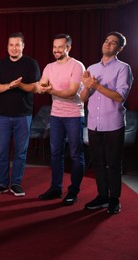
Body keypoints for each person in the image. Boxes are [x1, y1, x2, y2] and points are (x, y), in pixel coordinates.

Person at [80, 32, 133, 214]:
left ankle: (114, 199)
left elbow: (120, 97)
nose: (108, 44)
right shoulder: (92, 68)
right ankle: (102, 196)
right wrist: (87, 85)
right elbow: (82, 97)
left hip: (113, 124)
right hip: (94, 124)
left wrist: (97, 86)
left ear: (120, 48)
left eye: (113, 43)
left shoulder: (123, 68)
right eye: (106, 41)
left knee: (113, 163)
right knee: (98, 164)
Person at [0, 32, 40, 197]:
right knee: (2, 151)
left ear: (23, 46)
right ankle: (2, 184)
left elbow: (35, 87)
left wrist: (20, 85)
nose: (14, 48)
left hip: (23, 115)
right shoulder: (0, 64)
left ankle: (16, 183)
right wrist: (9, 86)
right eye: (11, 45)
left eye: (17, 45)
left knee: (20, 152)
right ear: (7, 46)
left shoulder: (31, 64)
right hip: (3, 115)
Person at [38, 34, 85, 206]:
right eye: (54, 46)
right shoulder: (49, 67)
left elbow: (72, 92)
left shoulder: (77, 66)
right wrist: (39, 87)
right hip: (56, 115)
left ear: (69, 48)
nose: (56, 50)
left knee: (75, 153)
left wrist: (49, 90)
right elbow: (41, 85)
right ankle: (56, 188)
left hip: (73, 115)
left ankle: (73, 192)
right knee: (55, 153)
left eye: (60, 47)